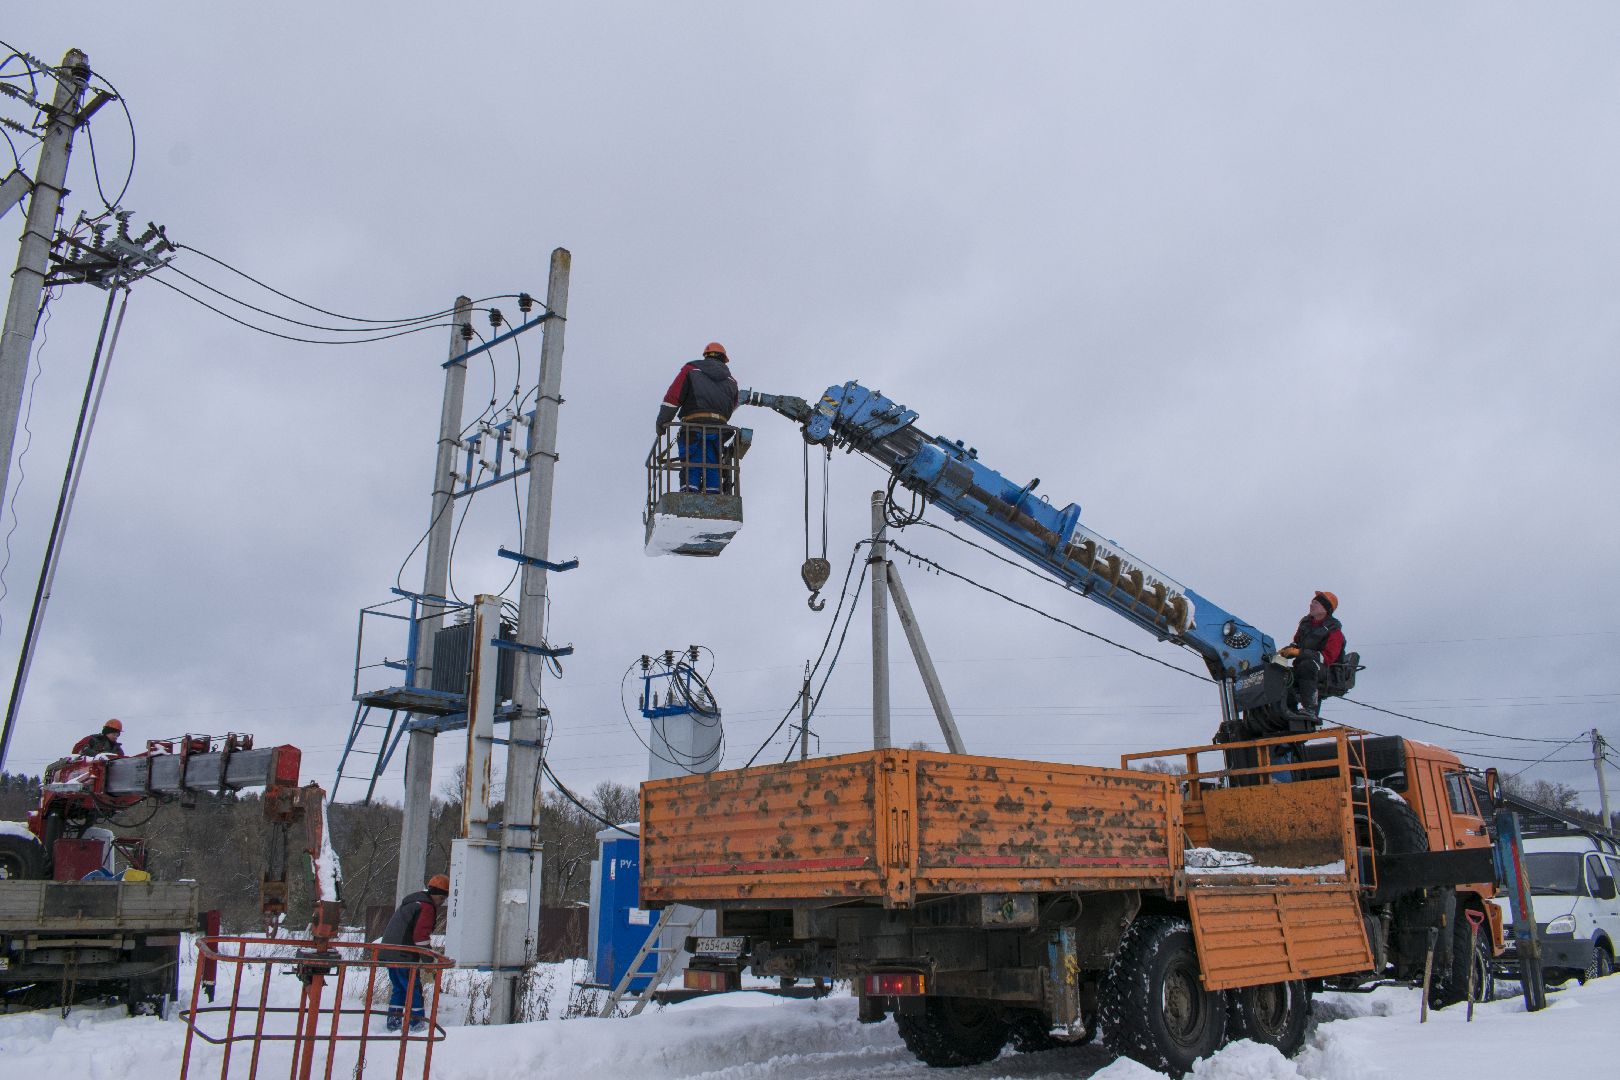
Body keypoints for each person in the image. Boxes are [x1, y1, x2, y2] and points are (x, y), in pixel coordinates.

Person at [655, 342, 739, 493]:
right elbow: (731, 406)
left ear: (706, 356)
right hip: (718, 429)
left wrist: (662, 422)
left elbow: (673, 398)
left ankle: (689, 493)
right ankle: (713, 494)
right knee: (713, 463)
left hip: (692, 427)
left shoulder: (691, 370)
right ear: (724, 359)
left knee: (692, 460)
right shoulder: (732, 382)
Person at [380, 873, 448, 1032]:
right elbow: (420, 937)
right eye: (442, 899)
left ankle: (393, 1022)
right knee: (413, 989)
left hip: (389, 952)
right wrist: (429, 960)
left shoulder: (412, 903)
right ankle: (416, 1025)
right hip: (404, 954)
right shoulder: (426, 907)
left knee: (399, 988)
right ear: (438, 895)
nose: (442, 902)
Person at [1279, 591, 1344, 717]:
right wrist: (1288, 650)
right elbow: (1297, 643)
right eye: (1312, 602)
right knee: (1282, 674)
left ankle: (1310, 709)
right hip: (1304, 665)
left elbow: (1327, 657)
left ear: (1325, 609)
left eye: (1316, 603)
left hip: (1327, 670)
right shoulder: (1305, 624)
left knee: (1308, 666)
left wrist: (1299, 653)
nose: (1311, 605)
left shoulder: (1334, 630)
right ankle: (1289, 711)